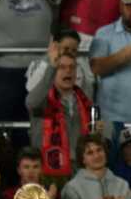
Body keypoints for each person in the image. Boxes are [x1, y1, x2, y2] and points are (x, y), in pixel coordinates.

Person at [26, 53, 93, 184]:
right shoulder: (43, 100)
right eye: (62, 67)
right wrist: (50, 68)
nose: (68, 71)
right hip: (48, 171)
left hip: (80, 170)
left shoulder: (84, 100)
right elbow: (31, 103)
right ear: (53, 72)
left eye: (72, 67)